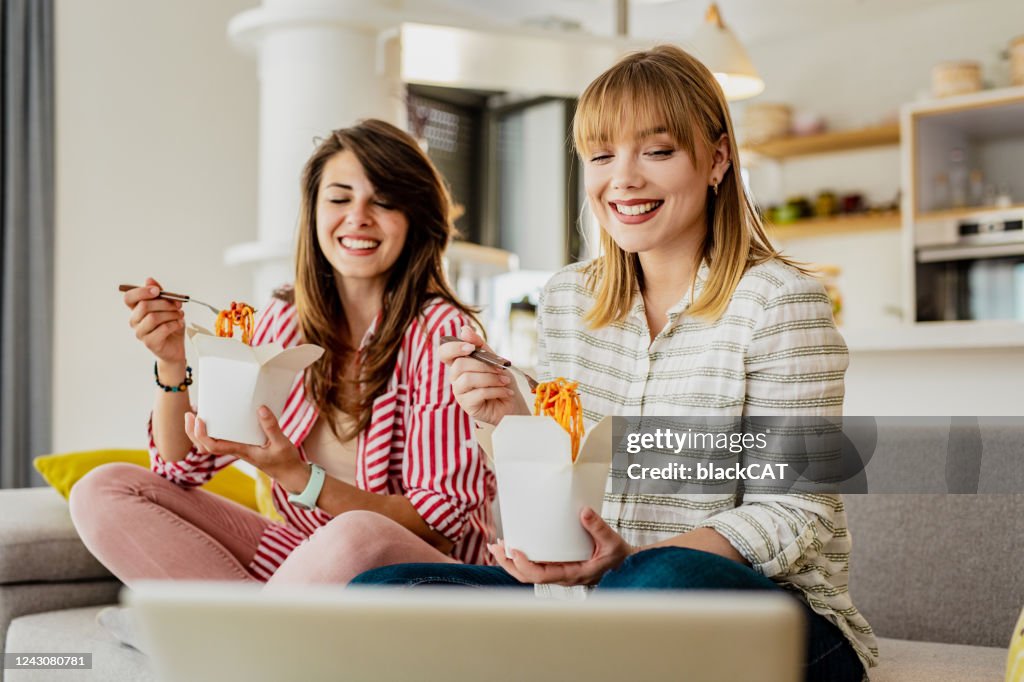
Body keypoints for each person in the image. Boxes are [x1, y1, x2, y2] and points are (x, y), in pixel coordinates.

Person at [350, 46, 877, 682]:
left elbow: (797, 513)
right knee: (380, 593)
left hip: (766, 620)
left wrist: (627, 562)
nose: (622, 180)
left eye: (656, 152)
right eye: (602, 156)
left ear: (716, 159)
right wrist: (510, 423)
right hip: (592, 604)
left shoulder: (779, 302)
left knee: (663, 579)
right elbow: (567, 487)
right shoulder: (570, 299)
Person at [71, 119, 495, 587]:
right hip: (303, 562)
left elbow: (435, 526)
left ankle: (248, 635)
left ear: (415, 217)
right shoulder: (281, 320)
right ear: (314, 212)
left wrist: (298, 476)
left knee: (355, 533)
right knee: (103, 488)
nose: (358, 216)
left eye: (384, 201)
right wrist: (172, 361)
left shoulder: (445, 335)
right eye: (339, 199)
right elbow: (181, 465)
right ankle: (260, 635)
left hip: (414, 574)